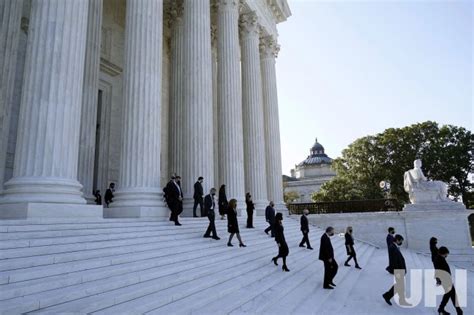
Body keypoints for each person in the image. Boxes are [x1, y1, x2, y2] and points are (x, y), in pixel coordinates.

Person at [382, 234, 411, 306]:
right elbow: (394, 261)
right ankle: (388, 296)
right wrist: (399, 272)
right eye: (400, 241)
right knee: (399, 284)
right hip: (398, 270)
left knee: (400, 284)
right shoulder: (393, 247)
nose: (401, 242)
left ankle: (391, 296)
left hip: (399, 269)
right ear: (397, 240)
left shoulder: (394, 246)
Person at [434, 246, 463, 315]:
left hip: (446, 280)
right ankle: (459, 311)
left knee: (447, 295)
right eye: (446, 254)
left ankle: (441, 309)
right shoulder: (440, 260)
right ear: (443, 253)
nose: (446, 255)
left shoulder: (440, 258)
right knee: (453, 296)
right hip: (446, 280)